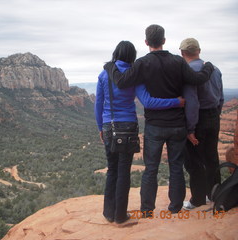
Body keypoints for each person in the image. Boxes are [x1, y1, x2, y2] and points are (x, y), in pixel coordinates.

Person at [104, 24, 215, 216]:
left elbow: (121, 82)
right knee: (176, 167)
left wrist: (111, 66)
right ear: (163, 40)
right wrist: (209, 67)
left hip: (155, 126)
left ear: (147, 42)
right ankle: (175, 208)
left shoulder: (142, 63)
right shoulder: (177, 62)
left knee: (150, 169)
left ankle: (147, 210)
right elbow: (198, 79)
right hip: (177, 125)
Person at [95, 40, 184, 224]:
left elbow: (98, 104)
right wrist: (176, 102)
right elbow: (149, 102)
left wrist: (100, 127)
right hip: (127, 127)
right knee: (123, 171)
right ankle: (120, 215)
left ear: (116, 53)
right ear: (132, 56)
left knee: (112, 169)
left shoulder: (104, 75)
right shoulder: (135, 75)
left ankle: (108, 212)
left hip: (108, 125)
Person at [180, 38, 224, 210]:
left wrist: (190, 129)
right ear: (199, 50)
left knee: (194, 161)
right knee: (211, 157)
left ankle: (198, 199)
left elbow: (192, 102)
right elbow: (220, 97)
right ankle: (215, 195)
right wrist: (216, 114)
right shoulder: (215, 69)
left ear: (182, 53)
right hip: (214, 117)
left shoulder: (189, 71)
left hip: (198, 119)